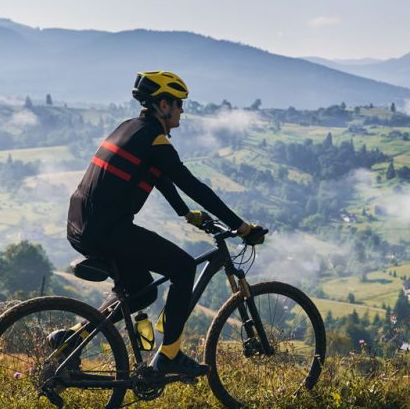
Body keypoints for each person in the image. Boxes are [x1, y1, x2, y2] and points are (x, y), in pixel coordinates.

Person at [55, 70, 263, 376]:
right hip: (108, 228)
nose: (182, 110)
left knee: (141, 291)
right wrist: (241, 227)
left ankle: (72, 336)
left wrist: (185, 213)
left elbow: (160, 176)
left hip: (81, 223)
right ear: (163, 104)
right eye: (178, 103)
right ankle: (170, 355)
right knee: (183, 267)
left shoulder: (130, 128)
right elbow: (193, 185)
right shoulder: (155, 139)